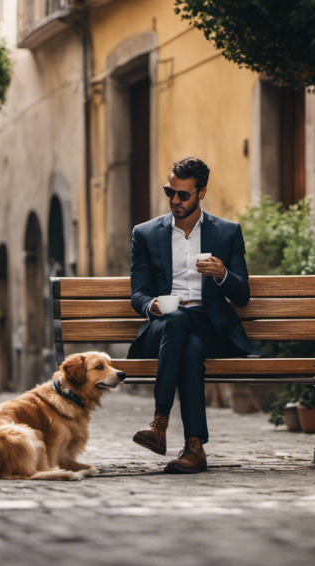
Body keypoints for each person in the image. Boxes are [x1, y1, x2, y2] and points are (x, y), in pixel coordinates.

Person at [127, 156, 261, 474]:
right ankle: (193, 447)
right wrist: (151, 306)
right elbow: (138, 293)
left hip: (211, 327)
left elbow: (242, 295)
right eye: (169, 192)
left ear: (201, 192)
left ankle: (160, 423)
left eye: (183, 194)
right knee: (178, 321)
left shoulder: (227, 233)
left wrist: (223, 274)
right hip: (164, 324)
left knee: (191, 345)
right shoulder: (145, 234)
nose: (174, 200)